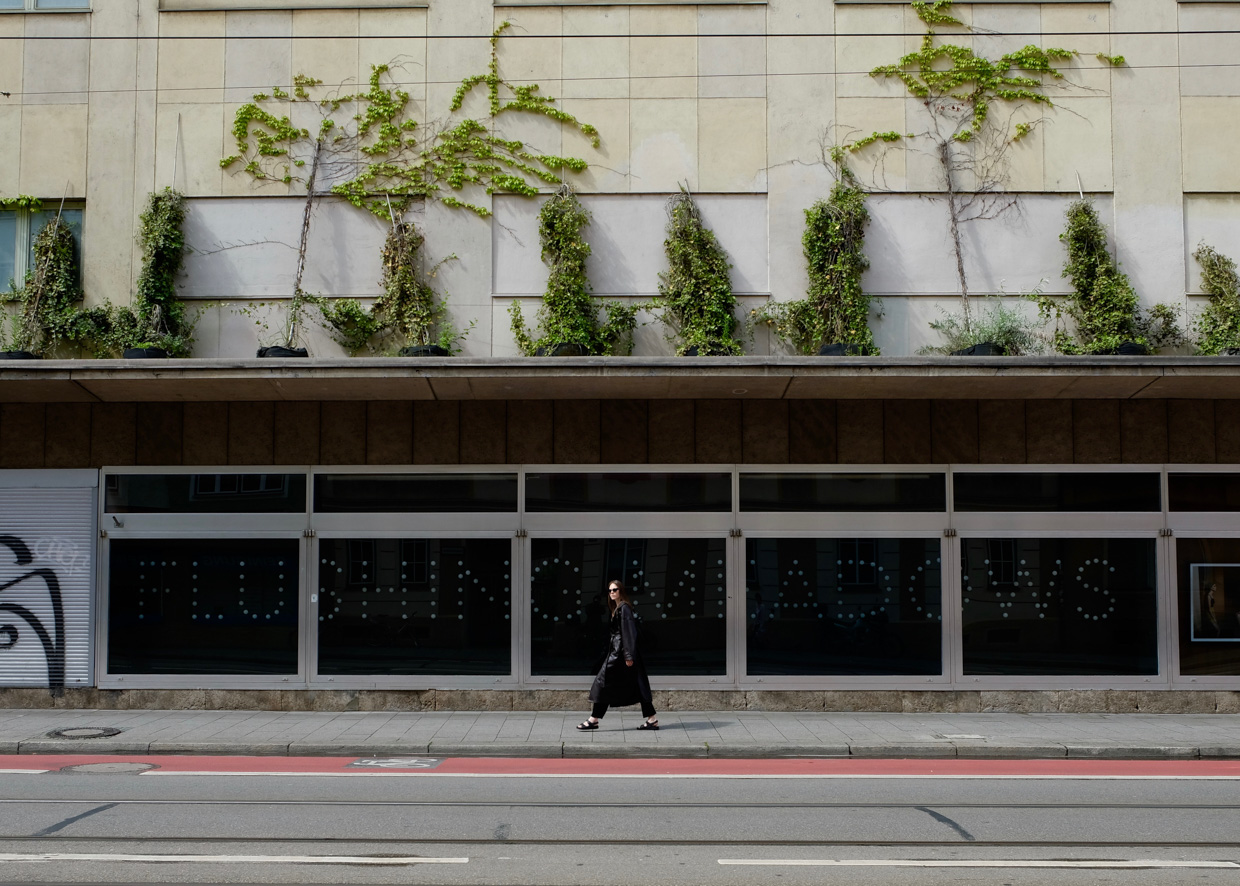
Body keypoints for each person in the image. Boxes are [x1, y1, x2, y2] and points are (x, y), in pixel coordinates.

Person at [577, 579, 658, 731]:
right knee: (637, 685)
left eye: (615, 590)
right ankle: (652, 719)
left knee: (602, 683)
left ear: (621, 591)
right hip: (618, 653)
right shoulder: (616, 608)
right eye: (610, 590)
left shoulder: (624, 608)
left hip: (620, 654)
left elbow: (629, 633)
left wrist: (628, 656)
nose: (612, 592)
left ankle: (593, 719)